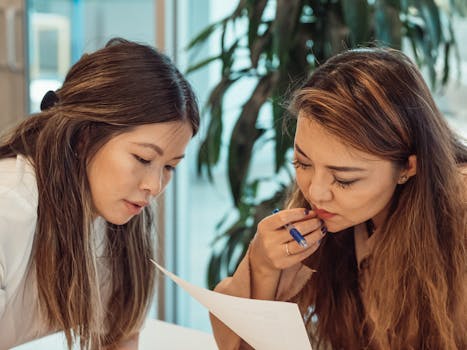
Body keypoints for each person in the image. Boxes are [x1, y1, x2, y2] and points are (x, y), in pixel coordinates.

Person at [210, 48, 467, 349]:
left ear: (409, 166)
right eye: (303, 163)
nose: (315, 192)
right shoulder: (321, 213)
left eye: (344, 179)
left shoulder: (458, 215)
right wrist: (264, 267)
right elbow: (233, 342)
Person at [0, 38, 199, 350]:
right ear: (83, 138)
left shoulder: (112, 215)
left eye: (170, 166)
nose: (155, 186)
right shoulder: (7, 206)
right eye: (144, 159)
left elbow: (119, 339)